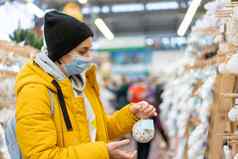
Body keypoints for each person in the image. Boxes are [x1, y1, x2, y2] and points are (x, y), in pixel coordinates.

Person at [15, 11, 157, 159]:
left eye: (90, 50)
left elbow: (99, 128)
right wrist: (102, 152)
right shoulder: (34, 92)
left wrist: (130, 114)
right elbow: (41, 156)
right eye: (83, 51)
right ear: (62, 52)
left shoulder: (81, 82)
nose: (89, 57)